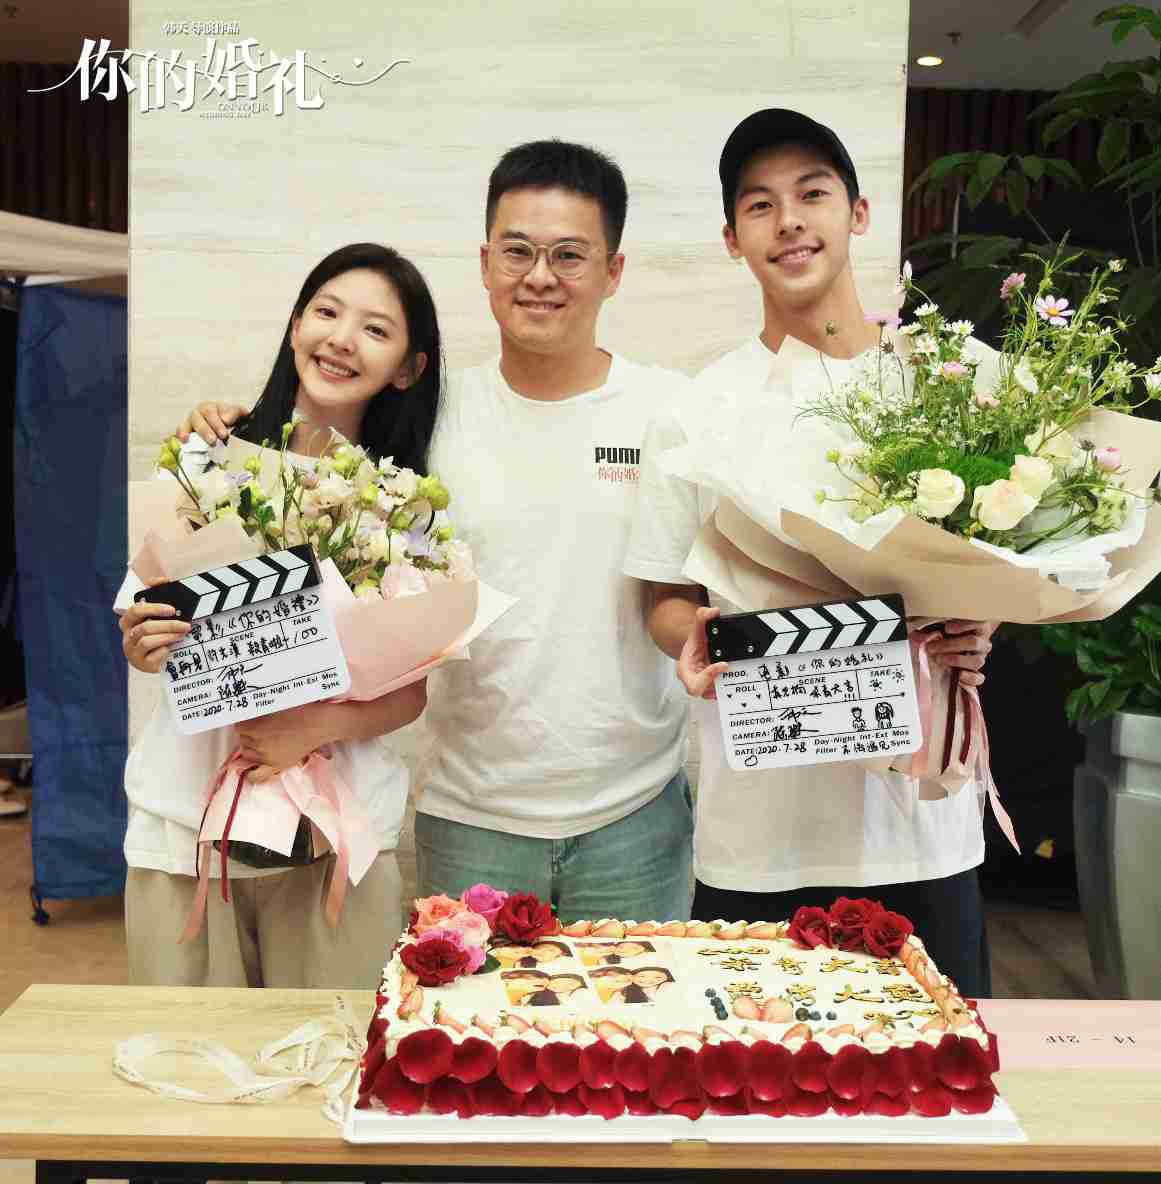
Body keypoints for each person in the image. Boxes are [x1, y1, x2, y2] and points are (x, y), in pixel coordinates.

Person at [176, 142, 694, 924]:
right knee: (466, 1009)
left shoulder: (670, 409)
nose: (540, 276)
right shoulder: (423, 419)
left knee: (633, 1010)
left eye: (568, 255)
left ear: (612, 271)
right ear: (485, 264)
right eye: (517, 251)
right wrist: (226, 430)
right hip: (469, 814)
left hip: (637, 814)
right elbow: (311, 456)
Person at [623, 110, 998, 996]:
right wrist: (693, 635)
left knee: (935, 1067)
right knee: (756, 1071)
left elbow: (1008, 564)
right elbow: (662, 599)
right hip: (758, 833)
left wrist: (983, 621)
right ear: (732, 239)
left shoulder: (951, 380)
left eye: (811, 194)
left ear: (858, 214)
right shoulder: (695, 411)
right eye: (759, 205)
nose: (788, 221)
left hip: (919, 827)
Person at [116, 243, 442, 989]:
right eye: (326, 313)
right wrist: (144, 639)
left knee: (329, 1049)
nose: (341, 339)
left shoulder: (406, 508)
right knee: (186, 1051)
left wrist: (313, 727)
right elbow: (142, 620)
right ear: (296, 327)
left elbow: (411, 691)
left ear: (407, 368)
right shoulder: (206, 457)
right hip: (186, 827)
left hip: (334, 836)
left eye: (375, 329)